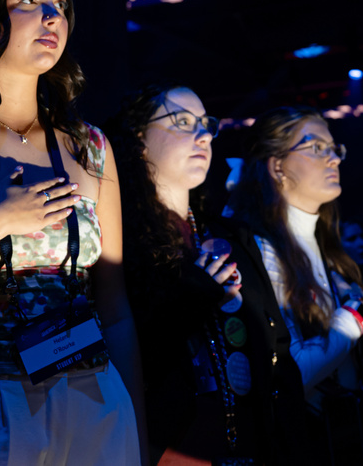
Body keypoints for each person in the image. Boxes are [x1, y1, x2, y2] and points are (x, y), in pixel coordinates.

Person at [0, 0, 143, 465]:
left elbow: (114, 307)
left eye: (61, 4)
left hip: (96, 391)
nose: (53, 17)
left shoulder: (89, 145)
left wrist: (137, 423)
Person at [106, 86, 311, 465]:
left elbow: (278, 356)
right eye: (182, 122)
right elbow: (123, 357)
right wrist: (191, 298)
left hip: (251, 447)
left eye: (206, 125)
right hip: (169, 449)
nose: (202, 136)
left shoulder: (233, 238)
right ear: (138, 139)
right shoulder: (116, 241)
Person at [231, 106, 363, 465]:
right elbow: (287, 377)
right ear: (277, 166)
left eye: (335, 149)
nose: (333, 159)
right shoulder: (260, 250)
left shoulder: (327, 249)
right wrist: (353, 320)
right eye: (316, 147)